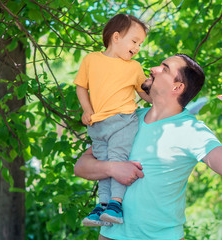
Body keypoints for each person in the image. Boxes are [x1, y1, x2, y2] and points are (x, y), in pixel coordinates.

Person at [74, 53, 222, 239]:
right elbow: (81, 166)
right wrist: (112, 168)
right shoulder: (127, 119)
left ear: (177, 87)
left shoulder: (192, 131)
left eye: (164, 69)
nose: (153, 69)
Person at [74, 13, 152, 227]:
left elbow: (144, 92)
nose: (137, 48)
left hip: (123, 121)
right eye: (134, 41)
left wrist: (159, 99)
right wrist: (87, 110)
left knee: (117, 159)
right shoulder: (91, 60)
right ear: (116, 37)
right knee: (103, 164)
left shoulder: (134, 67)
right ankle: (102, 206)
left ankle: (115, 204)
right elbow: (81, 87)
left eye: (140, 44)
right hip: (98, 125)